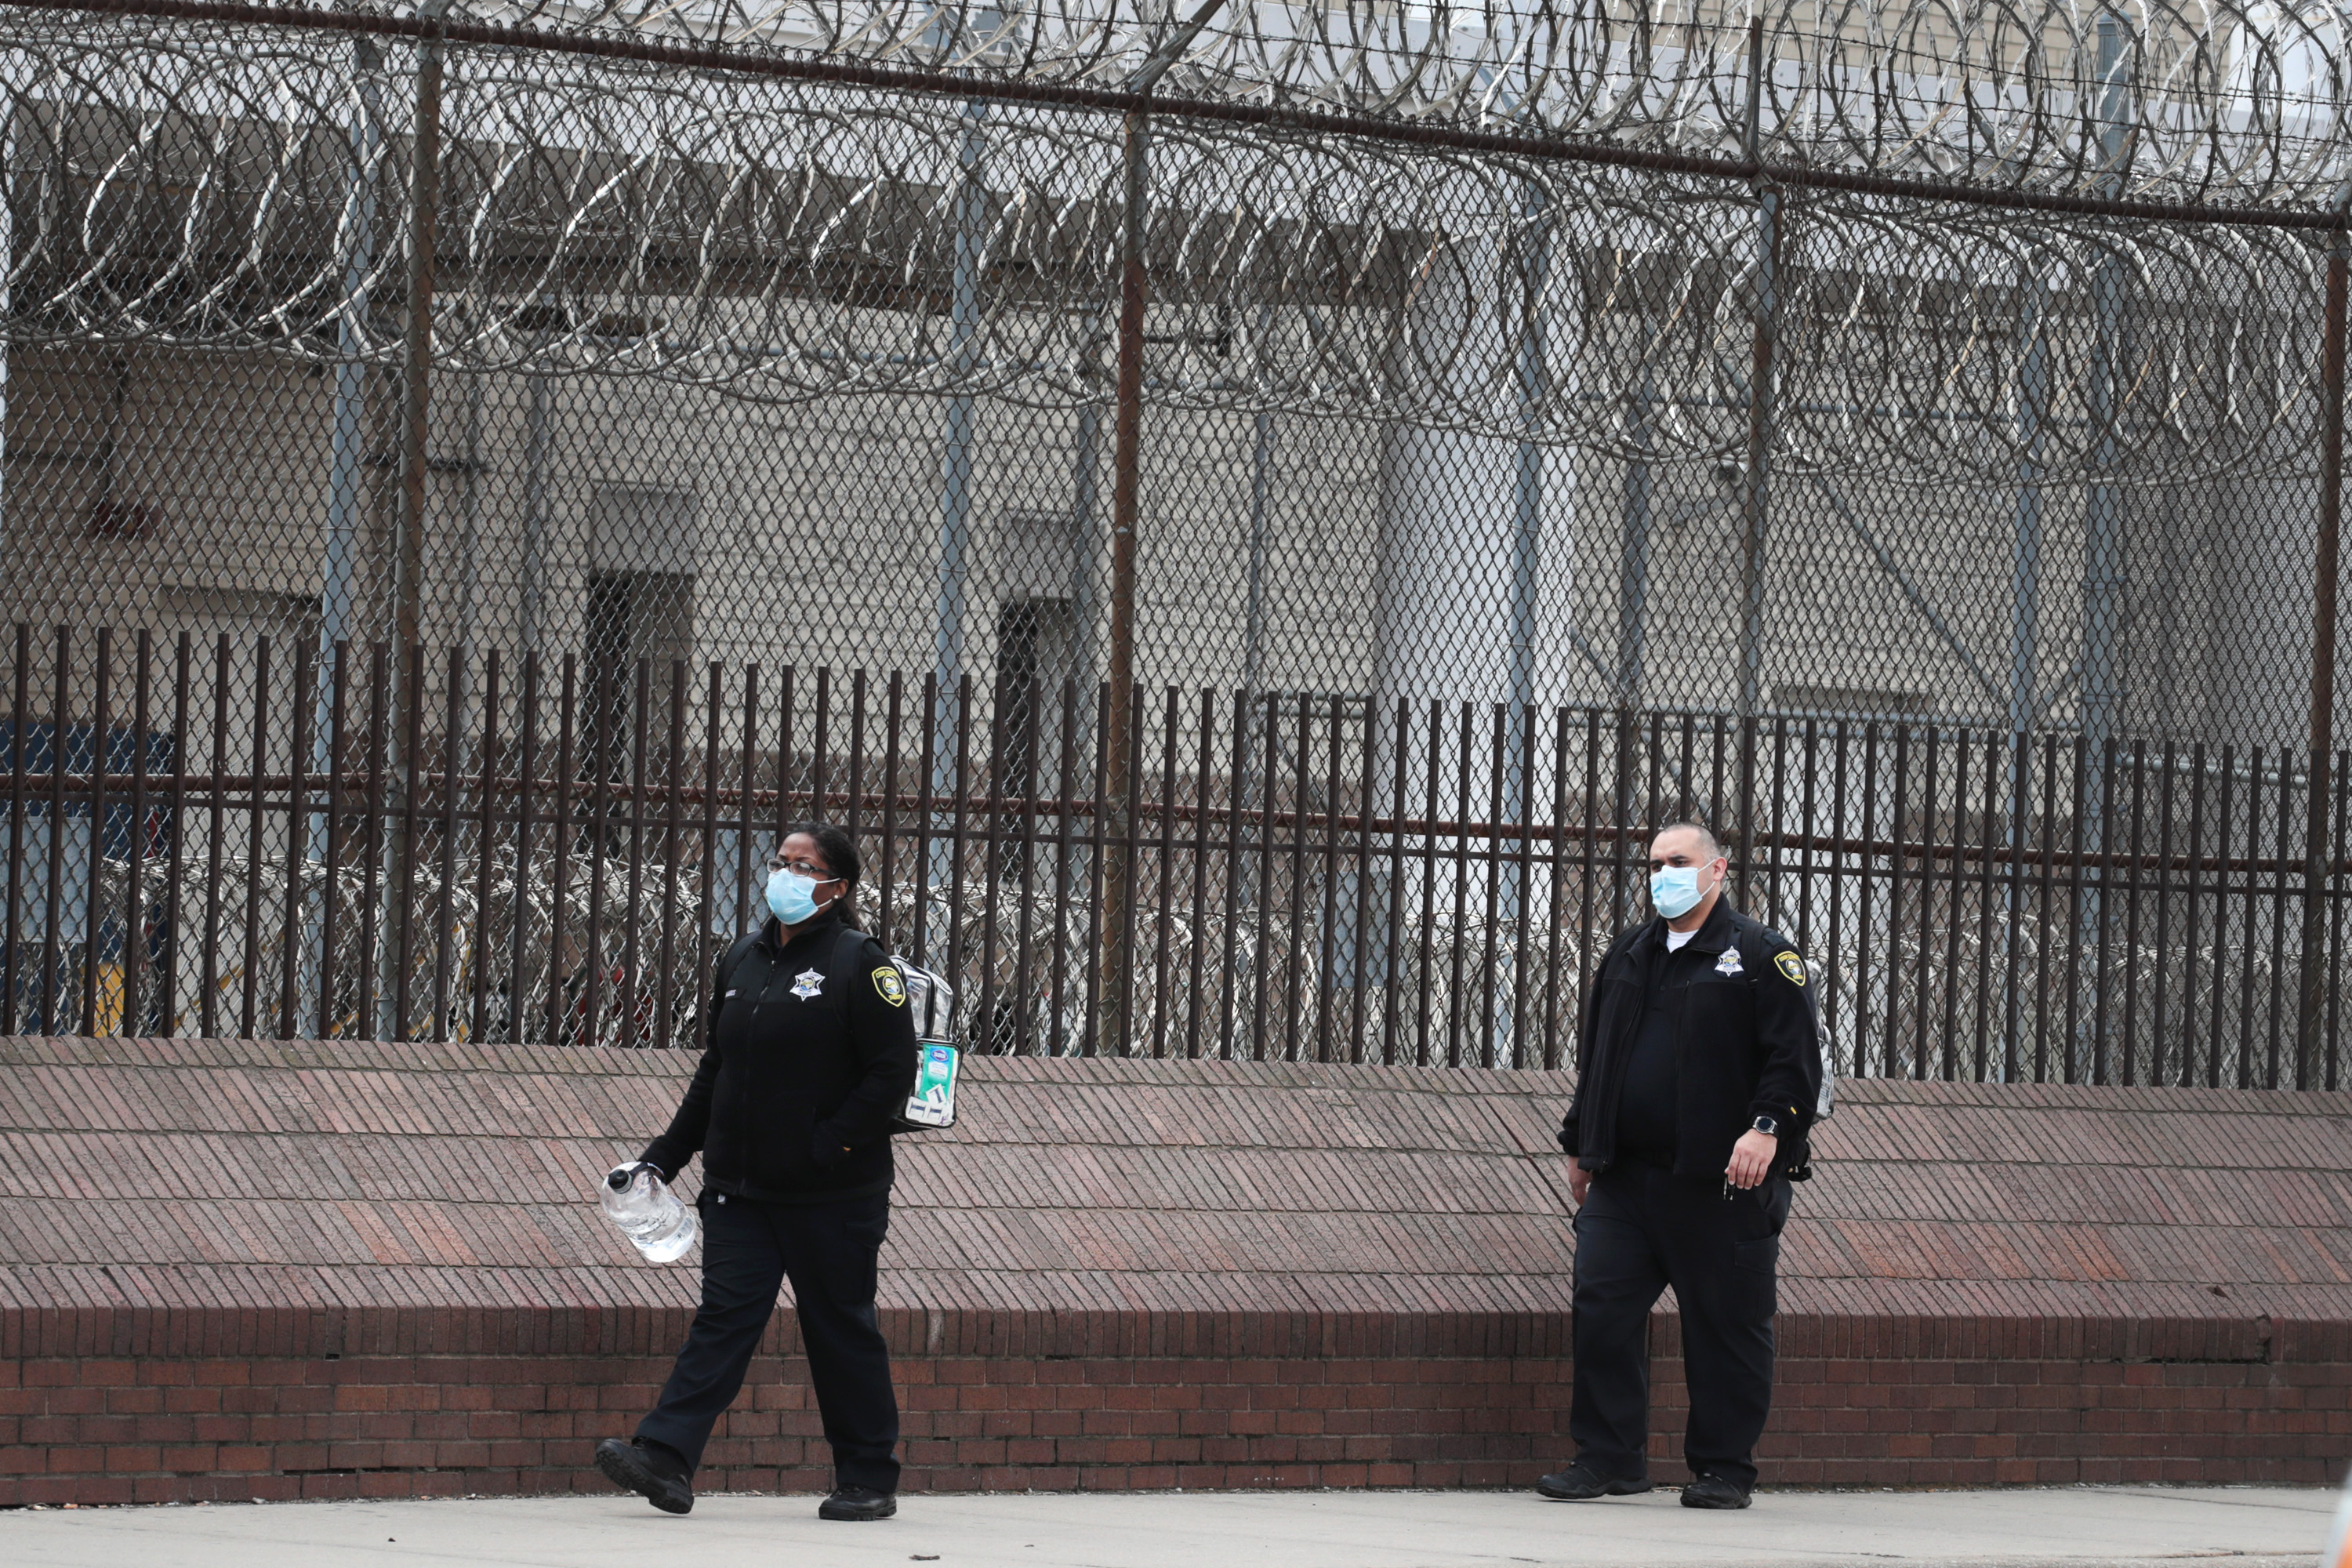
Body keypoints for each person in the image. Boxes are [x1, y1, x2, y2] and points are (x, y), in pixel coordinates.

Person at [596, 822, 918, 1522]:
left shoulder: (861, 963)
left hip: (832, 1194)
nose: (786, 876)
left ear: (837, 885)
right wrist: (663, 1158)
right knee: (724, 1319)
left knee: (839, 1328)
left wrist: (826, 1145)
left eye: (804, 867)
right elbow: (718, 1071)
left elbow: (893, 1074)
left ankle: (867, 1475)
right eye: (781, 862)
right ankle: (667, 1458)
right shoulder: (741, 958)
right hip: (740, 1191)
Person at [1539, 821, 1824, 1511]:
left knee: (1724, 1328)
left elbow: (1796, 1063)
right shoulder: (1629, 954)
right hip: (1627, 1179)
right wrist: (1582, 1144)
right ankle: (1609, 1459)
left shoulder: (1759, 955)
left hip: (1723, 1184)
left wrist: (1767, 1132)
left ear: (1718, 869)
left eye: (1679, 861)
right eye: (1656, 863)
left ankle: (1724, 1469)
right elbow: (1599, 1059)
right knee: (1601, 1309)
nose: (1664, 874)